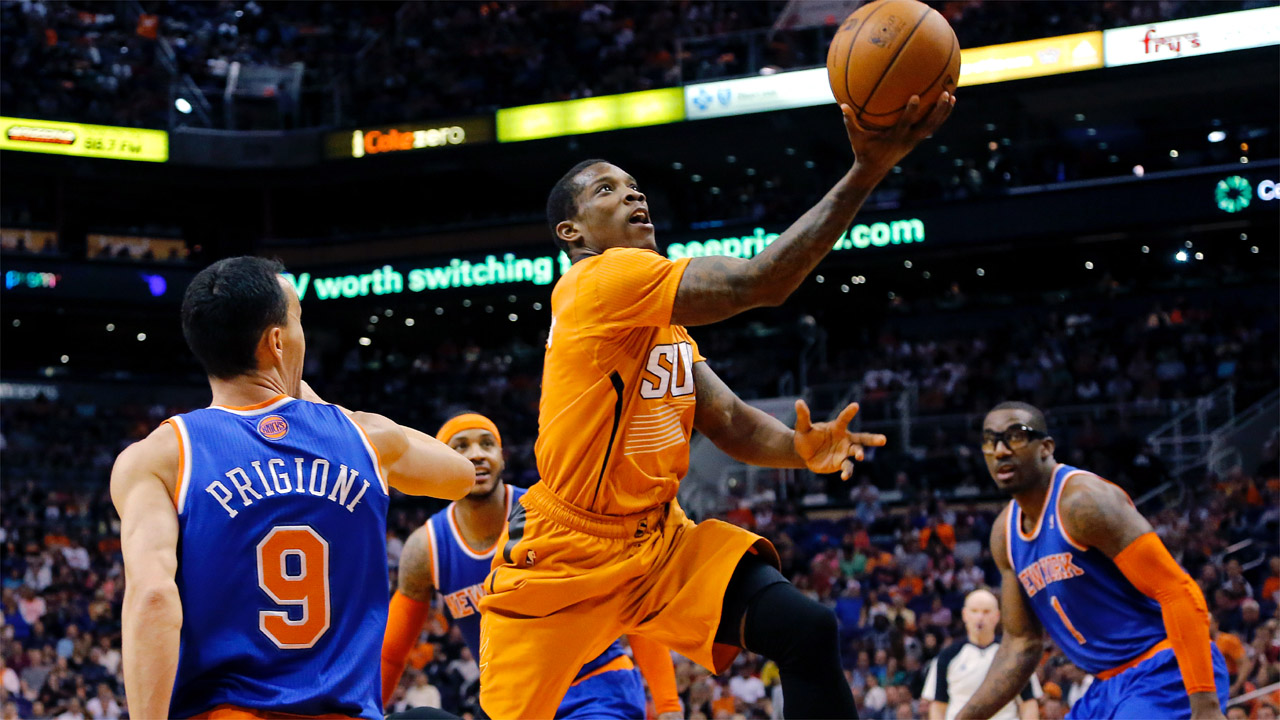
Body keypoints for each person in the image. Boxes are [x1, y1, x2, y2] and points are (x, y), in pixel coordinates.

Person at [477, 92, 955, 719]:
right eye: (607, 191)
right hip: (566, 552)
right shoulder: (599, 280)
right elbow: (761, 282)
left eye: (636, 187)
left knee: (806, 629)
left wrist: (798, 449)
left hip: (656, 542)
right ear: (573, 232)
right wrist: (866, 169)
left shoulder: (660, 324)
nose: (633, 196)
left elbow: (727, 420)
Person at [111, 256, 475, 719]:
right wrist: (321, 411)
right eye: (299, 319)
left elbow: (153, 598)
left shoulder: (158, 457)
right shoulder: (366, 437)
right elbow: (460, 476)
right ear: (278, 341)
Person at [381, 413, 683, 719]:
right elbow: (391, 655)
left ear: (502, 458)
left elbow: (631, 600)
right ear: (439, 462)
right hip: (514, 706)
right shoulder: (425, 549)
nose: (476, 454)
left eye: (487, 444)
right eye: (460, 446)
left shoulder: (552, 515)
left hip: (593, 689)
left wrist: (668, 704)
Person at [955, 401, 1229, 720]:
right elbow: (1021, 644)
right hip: (1105, 685)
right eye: (990, 441)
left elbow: (1178, 590)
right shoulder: (1004, 534)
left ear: (1045, 447)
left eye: (1015, 436)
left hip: (1165, 671)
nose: (1000, 450)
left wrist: (1206, 707)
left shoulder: (1083, 502)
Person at [922, 588, 1040, 720]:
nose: (980, 617)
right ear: (964, 615)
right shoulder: (947, 656)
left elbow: (1028, 703)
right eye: (974, 611)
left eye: (986, 612)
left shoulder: (1014, 655)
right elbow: (938, 706)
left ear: (997, 616)